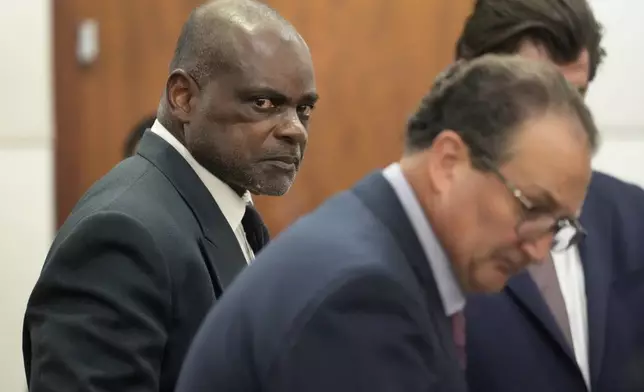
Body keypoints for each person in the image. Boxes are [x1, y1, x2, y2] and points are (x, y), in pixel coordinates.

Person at [175, 55, 598, 392]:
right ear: (449, 164)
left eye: (557, 226)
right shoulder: (361, 293)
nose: (539, 249)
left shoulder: (378, 247)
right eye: (531, 208)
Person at [23, 0, 317, 391]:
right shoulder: (122, 234)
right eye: (264, 103)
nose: (294, 130)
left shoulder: (226, 211)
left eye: (304, 109)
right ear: (183, 97)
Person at [457, 1, 644, 391]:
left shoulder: (633, 216)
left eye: (575, 96)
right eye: (535, 93)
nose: (560, 121)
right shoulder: (417, 240)